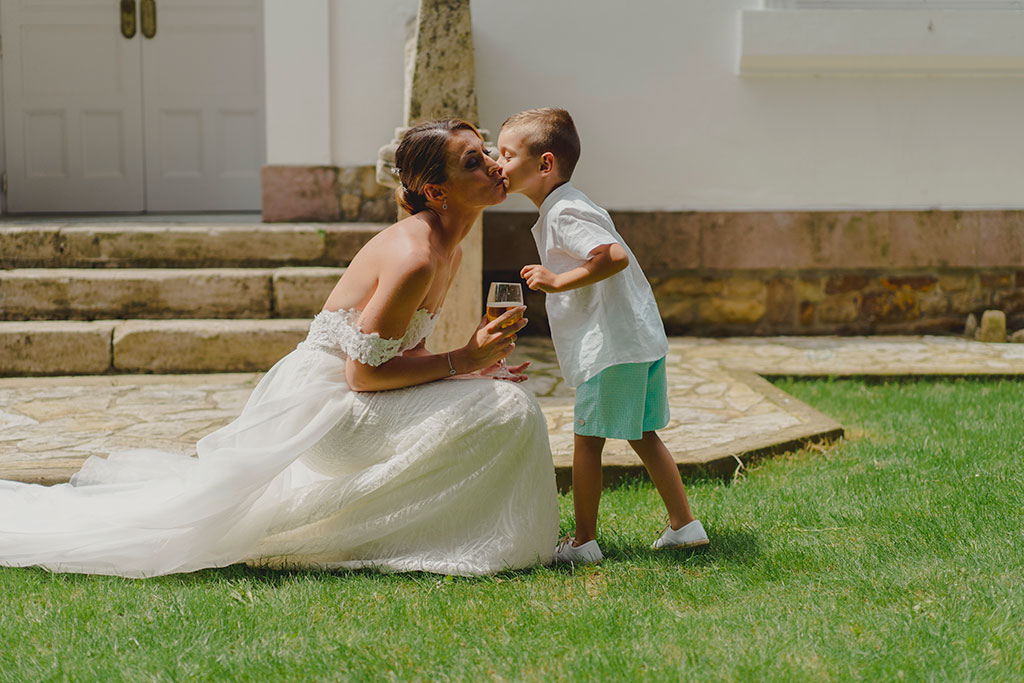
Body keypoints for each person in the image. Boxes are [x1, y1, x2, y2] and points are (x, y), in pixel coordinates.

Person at [0, 119, 559, 578]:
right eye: (472, 161)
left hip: (351, 393)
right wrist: (462, 360)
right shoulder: (415, 256)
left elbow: (395, 357)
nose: (492, 163)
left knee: (502, 402)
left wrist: (470, 371)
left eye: (486, 151)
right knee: (507, 411)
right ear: (435, 193)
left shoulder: (449, 250)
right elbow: (363, 375)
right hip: (327, 411)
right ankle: (453, 541)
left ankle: (462, 533)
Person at [496, 108, 708, 564]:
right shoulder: (570, 203)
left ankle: (583, 542)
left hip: (610, 347)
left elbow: (611, 256)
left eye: (507, 155)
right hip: (634, 340)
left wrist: (556, 281)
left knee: (586, 441)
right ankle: (684, 525)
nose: (498, 163)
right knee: (643, 433)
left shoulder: (563, 210)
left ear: (545, 164)